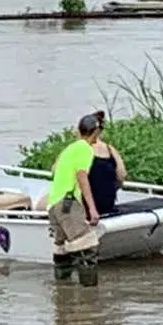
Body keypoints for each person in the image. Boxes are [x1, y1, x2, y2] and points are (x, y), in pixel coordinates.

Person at [46, 113, 103, 287]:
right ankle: (90, 298)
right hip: (68, 203)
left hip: (54, 205)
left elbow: (54, 169)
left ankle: (63, 296)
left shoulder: (69, 149)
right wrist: (92, 209)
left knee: (62, 250)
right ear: (97, 132)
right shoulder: (85, 149)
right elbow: (82, 177)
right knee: (86, 247)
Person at [85, 110, 128, 215]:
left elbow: (57, 171)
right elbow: (122, 176)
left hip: (86, 206)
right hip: (107, 205)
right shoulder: (110, 149)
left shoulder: (80, 148)